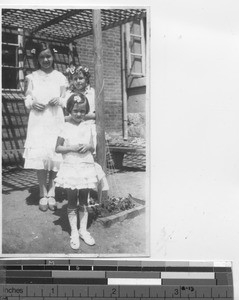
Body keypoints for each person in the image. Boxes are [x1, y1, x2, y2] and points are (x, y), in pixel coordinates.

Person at [54, 93, 108, 250]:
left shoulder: (89, 126)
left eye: (82, 111)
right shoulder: (65, 126)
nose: (79, 114)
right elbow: (57, 148)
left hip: (85, 166)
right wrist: (71, 147)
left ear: (86, 111)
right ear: (69, 109)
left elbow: (93, 146)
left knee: (84, 199)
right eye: (75, 111)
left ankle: (83, 230)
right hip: (71, 166)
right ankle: (74, 232)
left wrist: (89, 147)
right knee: (72, 199)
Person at [23, 42, 68, 212]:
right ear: (37, 59)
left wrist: (60, 100)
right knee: (41, 155)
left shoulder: (60, 77)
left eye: (48, 56)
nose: (45, 59)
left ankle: (52, 192)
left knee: (55, 154)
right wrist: (32, 103)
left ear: (53, 57)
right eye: (42, 57)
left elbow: (66, 98)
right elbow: (27, 98)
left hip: (55, 118)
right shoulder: (32, 77)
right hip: (39, 121)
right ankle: (43, 193)